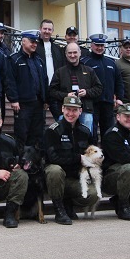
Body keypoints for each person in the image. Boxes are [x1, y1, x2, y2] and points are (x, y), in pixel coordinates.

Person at [43, 95, 99, 224]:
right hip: (56, 179)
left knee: (93, 194)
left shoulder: (85, 131)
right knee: (55, 170)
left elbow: (92, 155)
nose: (71, 113)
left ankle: (69, 203)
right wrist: (78, 158)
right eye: (68, 109)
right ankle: (59, 210)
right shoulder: (53, 131)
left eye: (75, 110)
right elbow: (53, 158)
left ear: (80, 111)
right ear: (62, 109)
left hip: (75, 178)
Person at [48, 42, 102, 137]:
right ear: (66, 54)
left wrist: (87, 92)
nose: (72, 55)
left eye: (75, 52)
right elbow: (52, 91)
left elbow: (99, 88)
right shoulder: (59, 72)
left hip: (85, 110)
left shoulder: (89, 71)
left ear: (80, 53)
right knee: (64, 138)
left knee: (85, 138)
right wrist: (66, 95)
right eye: (70, 53)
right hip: (66, 112)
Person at [7, 30, 48, 149]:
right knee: (21, 134)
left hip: (38, 103)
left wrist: (46, 99)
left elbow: (44, 80)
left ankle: (34, 159)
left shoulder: (39, 60)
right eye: (32, 42)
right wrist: (14, 99)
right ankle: (20, 158)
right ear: (23, 41)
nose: (34, 44)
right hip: (23, 104)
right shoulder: (14, 59)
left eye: (36, 42)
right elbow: (10, 81)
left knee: (37, 134)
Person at [82, 33, 124, 143]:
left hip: (108, 103)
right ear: (91, 45)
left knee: (108, 133)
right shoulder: (85, 62)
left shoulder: (111, 63)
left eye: (102, 45)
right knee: (92, 133)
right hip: (92, 103)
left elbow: (119, 81)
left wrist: (119, 98)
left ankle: (108, 153)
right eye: (97, 45)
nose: (100, 48)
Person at [35, 19, 66, 120]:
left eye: (49, 29)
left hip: (54, 88)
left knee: (61, 119)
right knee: (39, 121)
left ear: (52, 31)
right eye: (45, 29)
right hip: (40, 90)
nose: (47, 31)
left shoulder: (57, 48)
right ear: (40, 29)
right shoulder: (34, 47)